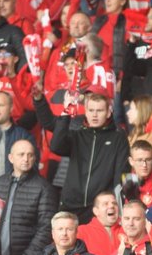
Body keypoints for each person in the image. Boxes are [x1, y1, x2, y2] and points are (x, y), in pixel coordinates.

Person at [35, 89, 130, 223]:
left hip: (99, 208)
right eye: (91, 110)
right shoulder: (77, 134)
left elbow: (121, 174)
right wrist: (66, 112)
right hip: (70, 204)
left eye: (99, 111)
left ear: (108, 112)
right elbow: (56, 146)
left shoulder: (118, 138)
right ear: (85, 111)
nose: (94, 115)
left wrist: (119, 207)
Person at [0, 139, 56, 255]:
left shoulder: (43, 187)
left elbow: (46, 228)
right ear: (11, 158)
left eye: (30, 155)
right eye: (21, 154)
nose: (26, 159)